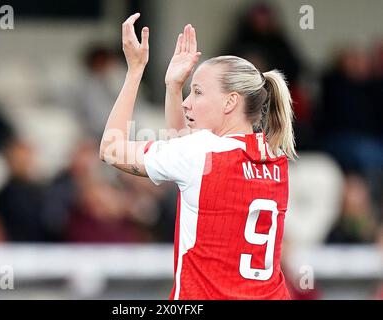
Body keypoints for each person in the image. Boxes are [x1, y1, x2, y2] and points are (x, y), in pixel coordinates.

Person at [100, 13, 297, 300]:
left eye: (198, 92)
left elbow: (110, 148)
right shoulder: (273, 157)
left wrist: (134, 71)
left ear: (231, 101)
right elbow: (184, 153)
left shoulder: (200, 153)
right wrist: (173, 87)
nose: (187, 102)